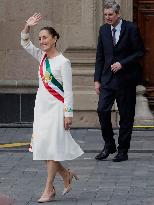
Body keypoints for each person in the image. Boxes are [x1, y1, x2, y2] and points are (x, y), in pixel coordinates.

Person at [21, 13, 83, 203]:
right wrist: (27, 27)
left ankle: (48, 189)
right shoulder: (42, 57)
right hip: (41, 108)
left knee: (53, 149)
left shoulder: (63, 62)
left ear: (55, 39)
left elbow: (69, 91)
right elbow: (25, 43)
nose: (41, 42)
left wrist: (68, 114)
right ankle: (65, 175)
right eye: (39, 39)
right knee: (44, 148)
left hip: (57, 110)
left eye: (45, 37)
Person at [94, 1, 144, 162]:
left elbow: (139, 52)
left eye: (110, 15)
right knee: (102, 110)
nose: (107, 17)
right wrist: (97, 80)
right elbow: (100, 57)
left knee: (126, 116)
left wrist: (123, 63)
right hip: (107, 80)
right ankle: (109, 145)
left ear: (118, 14)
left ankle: (123, 150)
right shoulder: (103, 30)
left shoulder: (131, 28)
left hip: (126, 80)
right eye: (105, 15)